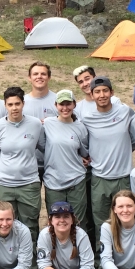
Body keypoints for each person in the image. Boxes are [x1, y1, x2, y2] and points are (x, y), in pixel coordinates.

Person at [80, 76, 135, 235]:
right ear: (92, 95)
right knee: (102, 223)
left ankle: (125, 257)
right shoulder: (87, 119)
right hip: (99, 179)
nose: (102, 95)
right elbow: (84, 145)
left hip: (123, 178)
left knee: (125, 220)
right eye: (97, 92)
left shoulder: (125, 112)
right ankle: (102, 258)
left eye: (105, 90)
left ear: (112, 92)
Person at [0, 86, 45, 243]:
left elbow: (44, 147)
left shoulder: (35, 124)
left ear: (23, 104)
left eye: (17, 104)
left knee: (30, 225)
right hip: (4, 184)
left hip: (29, 184)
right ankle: (9, 262)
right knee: (5, 226)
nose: (14, 108)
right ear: (5, 105)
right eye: (10, 104)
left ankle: (32, 265)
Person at [42, 90, 91, 236]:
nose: (65, 108)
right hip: (53, 181)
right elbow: (41, 145)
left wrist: (82, 158)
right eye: (61, 104)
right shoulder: (47, 124)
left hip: (76, 180)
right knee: (56, 222)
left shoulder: (80, 127)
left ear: (74, 104)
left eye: (68, 104)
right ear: (56, 105)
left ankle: (81, 255)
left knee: (78, 222)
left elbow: (84, 152)